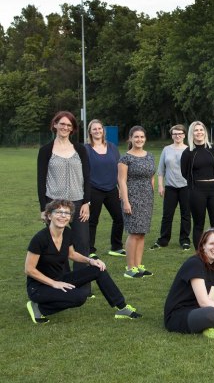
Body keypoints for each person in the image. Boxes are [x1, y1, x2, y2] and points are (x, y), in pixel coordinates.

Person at [24, 199, 141, 324]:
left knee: (98, 269)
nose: (63, 216)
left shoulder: (67, 233)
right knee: (79, 297)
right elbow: (29, 269)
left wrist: (90, 261)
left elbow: (72, 254)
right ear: (49, 215)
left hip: (59, 278)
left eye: (66, 213)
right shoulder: (40, 238)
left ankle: (122, 308)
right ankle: (39, 308)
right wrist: (53, 283)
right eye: (58, 212)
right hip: (39, 288)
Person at [37, 111, 91, 275]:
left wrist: (86, 203)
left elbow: (87, 177)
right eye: (62, 124)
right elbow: (41, 180)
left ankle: (82, 284)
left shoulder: (80, 149)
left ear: (72, 128)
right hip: (54, 203)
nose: (65, 127)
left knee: (82, 242)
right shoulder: (46, 150)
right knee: (56, 244)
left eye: (69, 125)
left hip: (77, 202)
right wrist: (43, 208)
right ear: (55, 125)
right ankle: (62, 280)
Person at [118, 126, 155, 279]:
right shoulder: (125, 158)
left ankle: (138, 266)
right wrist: (126, 201)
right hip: (132, 198)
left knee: (142, 233)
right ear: (130, 139)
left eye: (142, 137)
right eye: (136, 137)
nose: (139, 140)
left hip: (147, 198)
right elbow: (121, 180)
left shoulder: (150, 155)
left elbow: (152, 175)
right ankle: (129, 268)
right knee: (133, 233)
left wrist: (151, 191)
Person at [85, 119, 125, 258]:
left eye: (99, 128)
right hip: (93, 189)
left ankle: (116, 247)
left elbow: (119, 169)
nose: (97, 131)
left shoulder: (112, 147)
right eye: (94, 129)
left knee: (119, 218)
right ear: (90, 131)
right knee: (92, 221)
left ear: (103, 130)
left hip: (111, 189)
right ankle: (89, 250)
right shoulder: (86, 149)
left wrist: (120, 187)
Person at [181, 121, 214, 248]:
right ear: (191, 133)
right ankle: (200, 255)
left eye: (201, 130)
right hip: (197, 191)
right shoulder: (188, 152)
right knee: (199, 224)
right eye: (196, 130)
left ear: (205, 132)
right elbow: (185, 172)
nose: (199, 132)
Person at [153, 124, 191, 250]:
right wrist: (160, 186)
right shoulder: (166, 149)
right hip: (170, 187)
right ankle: (163, 240)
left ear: (184, 135)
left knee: (186, 215)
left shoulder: (189, 149)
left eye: (180, 133)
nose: (177, 135)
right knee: (167, 215)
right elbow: (161, 169)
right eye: (175, 133)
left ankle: (184, 240)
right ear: (172, 135)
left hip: (186, 187)